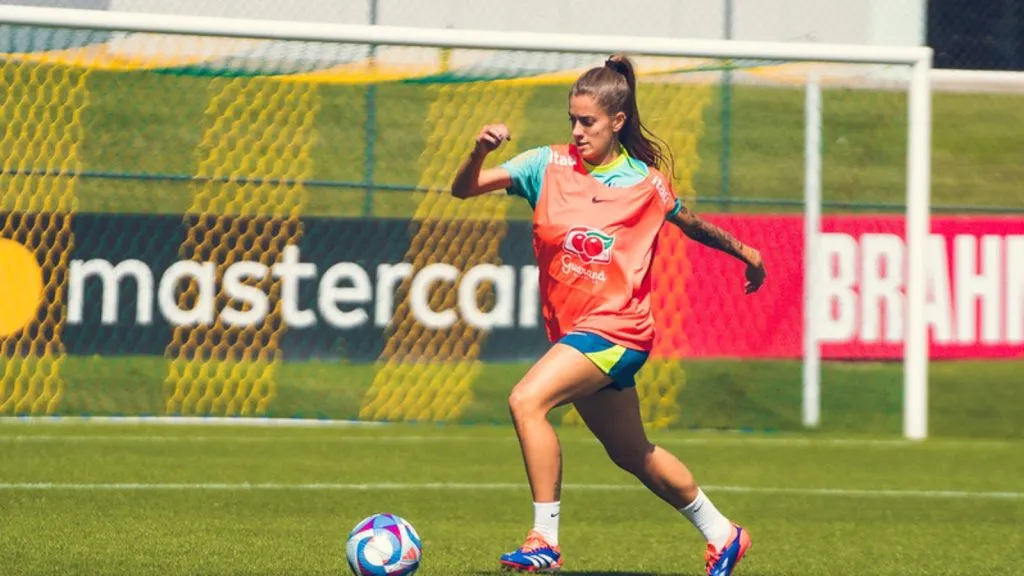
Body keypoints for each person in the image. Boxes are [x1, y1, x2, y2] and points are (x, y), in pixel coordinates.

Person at [449, 54, 767, 576]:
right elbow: (464, 189)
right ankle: (724, 533)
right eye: (572, 120)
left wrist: (746, 253)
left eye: (588, 121)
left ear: (617, 122)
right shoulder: (544, 166)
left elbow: (690, 223)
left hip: (618, 330)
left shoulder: (646, 184)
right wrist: (478, 150)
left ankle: (544, 541)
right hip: (578, 332)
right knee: (631, 452)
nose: (576, 131)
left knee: (526, 401)